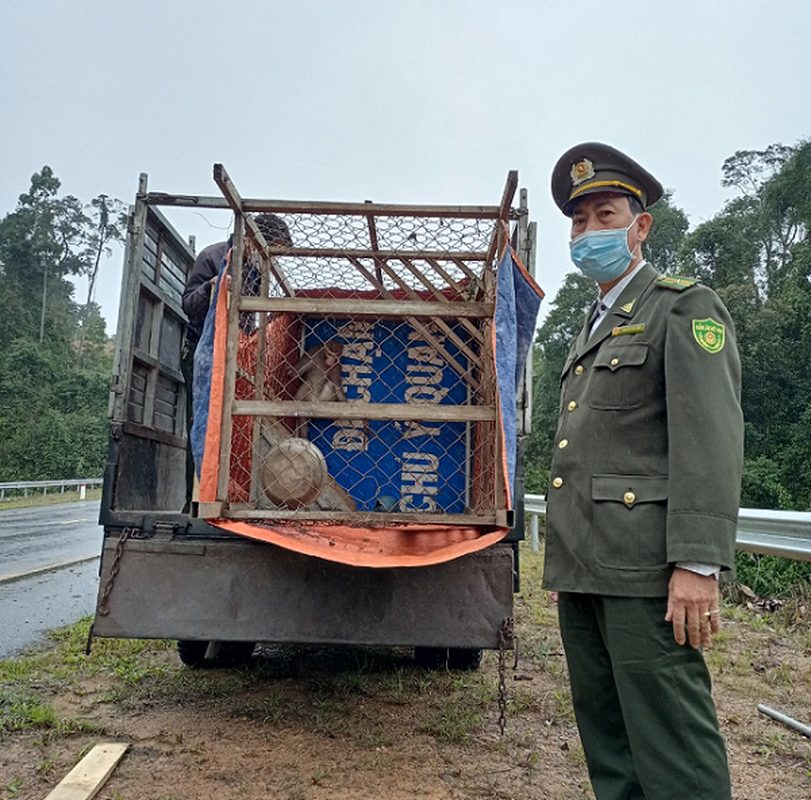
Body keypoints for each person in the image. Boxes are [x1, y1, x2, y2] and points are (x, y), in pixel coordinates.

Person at [543, 142, 743, 800]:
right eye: (578, 221)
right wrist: (566, 564)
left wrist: (697, 563)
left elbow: (708, 440)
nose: (589, 231)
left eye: (605, 215)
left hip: (646, 573)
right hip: (586, 570)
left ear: (640, 226)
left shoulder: (680, 307)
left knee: (672, 748)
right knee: (610, 743)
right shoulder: (590, 323)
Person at [180, 213, 292, 511]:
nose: (273, 258)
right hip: (204, 350)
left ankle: (231, 490)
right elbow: (188, 304)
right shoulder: (214, 256)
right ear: (254, 241)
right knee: (201, 421)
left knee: (231, 422)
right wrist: (212, 288)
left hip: (236, 351)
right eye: (273, 249)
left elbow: (248, 318)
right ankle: (194, 499)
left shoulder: (258, 270)